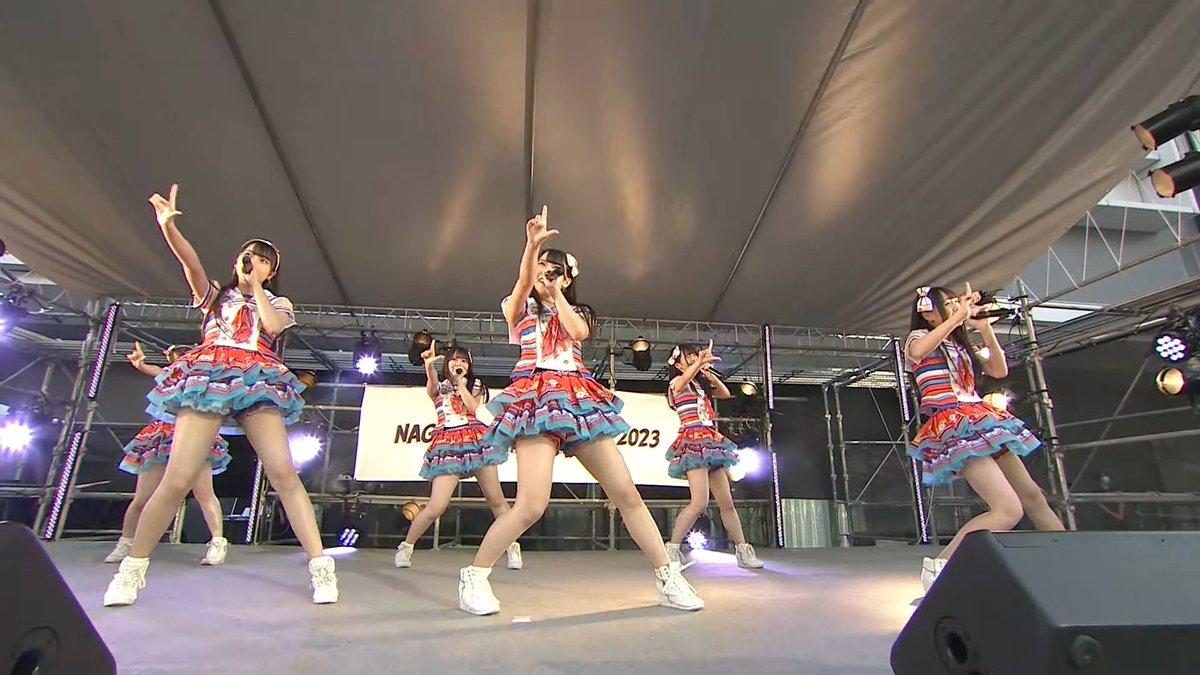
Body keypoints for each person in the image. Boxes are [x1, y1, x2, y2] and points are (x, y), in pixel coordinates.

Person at [456, 206, 704, 615]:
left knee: (626, 493)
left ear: (568, 279)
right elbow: (521, 285)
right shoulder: (518, 307)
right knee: (531, 505)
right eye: (541, 267)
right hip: (534, 400)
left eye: (554, 270)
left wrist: (556, 294)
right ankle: (475, 575)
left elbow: (577, 331)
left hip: (578, 399)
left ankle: (667, 575)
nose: (544, 273)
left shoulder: (578, 310)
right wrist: (532, 246)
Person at [103, 183, 337, 606]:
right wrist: (168, 227)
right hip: (209, 373)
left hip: (257, 374)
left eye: (263, 260)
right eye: (249, 256)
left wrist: (258, 286)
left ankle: (320, 567)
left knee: (283, 473)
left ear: (271, 270)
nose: (254, 263)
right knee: (177, 477)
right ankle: (132, 569)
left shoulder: (279, 301)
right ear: (236, 261)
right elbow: (189, 264)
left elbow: (272, 326)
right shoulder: (215, 296)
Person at [905, 285, 1065, 592]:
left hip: (982, 418)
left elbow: (998, 370)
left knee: (1032, 496)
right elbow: (917, 352)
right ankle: (941, 564)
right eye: (949, 303)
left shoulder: (960, 344)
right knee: (1008, 509)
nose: (956, 307)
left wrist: (984, 328)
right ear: (928, 311)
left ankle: (1069, 556)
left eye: (957, 302)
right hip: (954, 423)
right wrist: (959, 318)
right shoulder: (918, 337)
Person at [394, 341, 521, 570]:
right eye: (454, 359)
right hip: (448, 444)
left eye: (463, 361)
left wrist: (461, 383)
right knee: (436, 506)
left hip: (476, 441)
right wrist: (428, 365)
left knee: (496, 500)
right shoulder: (439, 387)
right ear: (447, 363)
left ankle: (512, 547)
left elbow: (472, 407)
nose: (458, 363)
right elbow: (431, 387)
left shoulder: (475, 384)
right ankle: (406, 546)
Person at [105, 342, 230, 566]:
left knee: (204, 493)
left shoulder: (208, 381)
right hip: (161, 437)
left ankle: (218, 542)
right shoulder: (170, 376)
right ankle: (126, 542)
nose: (184, 359)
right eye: (178, 356)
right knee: (142, 498)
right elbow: (152, 370)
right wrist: (140, 364)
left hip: (196, 435)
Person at [663, 342, 763, 569]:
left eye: (694, 355)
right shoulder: (676, 383)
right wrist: (698, 363)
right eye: (688, 357)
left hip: (710, 441)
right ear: (677, 363)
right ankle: (672, 548)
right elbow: (682, 381)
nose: (693, 358)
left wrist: (707, 372)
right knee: (699, 502)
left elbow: (725, 394)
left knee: (727, 502)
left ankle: (743, 550)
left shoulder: (700, 384)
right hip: (693, 440)